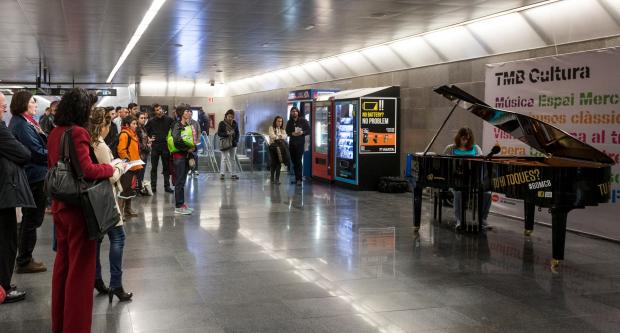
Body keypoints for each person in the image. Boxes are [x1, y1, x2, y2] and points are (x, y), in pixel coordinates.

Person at [47, 88, 119, 333]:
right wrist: (110, 169)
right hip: (79, 211)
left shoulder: (54, 132)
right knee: (81, 273)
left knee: (63, 267)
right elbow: (87, 170)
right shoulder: (77, 132)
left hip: (60, 207)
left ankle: (60, 324)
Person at [87, 107, 133, 303]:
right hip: (106, 198)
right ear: (103, 126)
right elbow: (110, 175)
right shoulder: (101, 146)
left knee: (97, 240)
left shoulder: (87, 142)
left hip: (92, 199)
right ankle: (116, 283)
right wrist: (120, 167)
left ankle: (97, 278)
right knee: (118, 238)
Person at [0, 92, 35, 304]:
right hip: (4, 193)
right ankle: (4, 285)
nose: (4, 108)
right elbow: (24, 153)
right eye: (2, 105)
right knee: (7, 241)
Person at [8, 91, 49, 274]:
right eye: (33, 102)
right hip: (34, 176)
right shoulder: (22, 125)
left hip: (34, 175)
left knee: (31, 218)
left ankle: (25, 257)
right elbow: (36, 152)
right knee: (32, 218)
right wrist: (54, 155)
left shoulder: (26, 122)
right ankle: (24, 260)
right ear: (25, 103)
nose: (35, 105)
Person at [443, 127, 492, 231]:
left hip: (474, 181)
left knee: (487, 194)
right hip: (456, 181)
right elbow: (445, 166)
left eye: (468, 139)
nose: (466, 141)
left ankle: (482, 219)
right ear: (459, 137)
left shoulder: (476, 148)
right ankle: (459, 220)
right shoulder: (450, 148)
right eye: (464, 138)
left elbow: (482, 164)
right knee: (459, 193)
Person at [169, 104, 196, 214]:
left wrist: (192, 149)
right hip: (179, 157)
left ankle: (182, 204)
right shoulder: (177, 124)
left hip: (185, 156)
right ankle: (178, 206)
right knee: (179, 182)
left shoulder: (187, 125)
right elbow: (176, 140)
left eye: (190, 111)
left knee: (182, 181)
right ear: (181, 113)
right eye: (187, 111)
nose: (189, 113)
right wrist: (187, 149)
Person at [117, 115, 144, 218]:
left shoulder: (133, 134)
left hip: (134, 165)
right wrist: (127, 161)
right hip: (128, 167)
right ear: (127, 125)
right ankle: (121, 212)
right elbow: (121, 150)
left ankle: (128, 209)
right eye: (134, 124)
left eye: (136, 123)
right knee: (124, 189)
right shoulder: (124, 135)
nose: (136, 125)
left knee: (130, 189)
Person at [145, 103, 174, 193]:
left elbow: (174, 130)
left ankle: (167, 186)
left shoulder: (169, 120)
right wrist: (149, 138)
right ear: (154, 112)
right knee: (154, 168)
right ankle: (153, 187)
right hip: (155, 147)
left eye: (160, 108)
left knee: (166, 168)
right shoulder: (151, 121)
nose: (160, 110)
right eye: (157, 109)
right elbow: (145, 131)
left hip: (166, 147)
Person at [285, 106, 310, 185]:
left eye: (295, 111)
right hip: (292, 144)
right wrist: (292, 133)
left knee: (298, 161)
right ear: (291, 113)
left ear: (298, 112)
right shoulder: (289, 122)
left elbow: (309, 130)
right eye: (293, 111)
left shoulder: (303, 120)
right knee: (294, 161)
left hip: (300, 144)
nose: (294, 112)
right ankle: (296, 179)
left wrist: (302, 132)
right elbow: (287, 131)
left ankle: (299, 179)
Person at [217, 109, 240, 180]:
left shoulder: (235, 123)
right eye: (229, 116)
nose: (230, 118)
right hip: (225, 143)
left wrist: (236, 141)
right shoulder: (222, 123)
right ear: (226, 116)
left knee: (232, 159)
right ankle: (222, 174)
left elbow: (238, 133)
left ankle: (233, 174)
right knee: (224, 158)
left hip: (233, 144)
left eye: (232, 117)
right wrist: (227, 134)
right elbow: (219, 133)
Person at [268, 116, 289, 185]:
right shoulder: (271, 128)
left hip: (280, 148)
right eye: (278, 121)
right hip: (273, 147)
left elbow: (285, 136)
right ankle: (272, 178)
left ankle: (277, 179)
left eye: (281, 121)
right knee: (273, 162)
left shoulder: (282, 129)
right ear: (275, 121)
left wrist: (278, 136)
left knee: (279, 163)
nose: (280, 123)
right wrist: (279, 136)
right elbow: (272, 136)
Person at [136, 111, 152, 194]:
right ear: (137, 119)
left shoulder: (143, 128)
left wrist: (149, 141)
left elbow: (144, 139)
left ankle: (140, 188)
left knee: (142, 173)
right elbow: (138, 143)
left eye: (144, 118)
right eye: (141, 118)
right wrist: (147, 147)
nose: (143, 119)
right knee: (139, 173)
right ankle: (138, 189)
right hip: (140, 154)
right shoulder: (137, 129)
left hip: (145, 154)